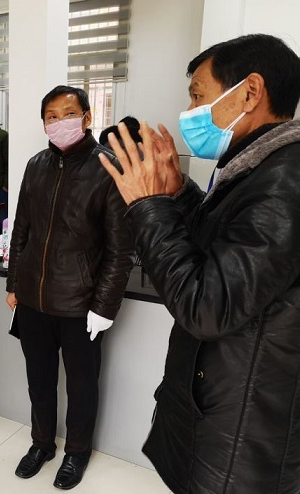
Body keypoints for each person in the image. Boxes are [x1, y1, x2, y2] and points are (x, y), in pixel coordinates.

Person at [99, 34, 300, 494]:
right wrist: (179, 195)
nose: (189, 111)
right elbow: (223, 254)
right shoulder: (257, 170)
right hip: (221, 412)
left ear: (250, 92)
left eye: (197, 96)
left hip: (239, 439)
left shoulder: (284, 184)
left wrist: (148, 205)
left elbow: (206, 307)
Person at [6, 86, 133, 490]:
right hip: (33, 300)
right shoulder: (36, 165)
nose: (60, 122)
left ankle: (76, 453)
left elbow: (121, 249)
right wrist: (14, 283)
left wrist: (104, 306)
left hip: (81, 305)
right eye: (51, 116)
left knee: (81, 385)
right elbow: (21, 229)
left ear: (87, 117)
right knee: (39, 381)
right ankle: (41, 443)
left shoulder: (108, 167)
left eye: (68, 114)